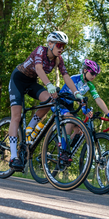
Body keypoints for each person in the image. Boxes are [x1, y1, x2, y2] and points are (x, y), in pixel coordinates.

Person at [8, 31, 84, 169]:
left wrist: (77, 93)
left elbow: (66, 76)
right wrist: (49, 85)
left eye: (63, 46)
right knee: (16, 117)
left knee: (50, 101)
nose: (61, 49)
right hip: (18, 80)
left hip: (31, 82)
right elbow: (38, 68)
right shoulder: (40, 50)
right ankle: (13, 157)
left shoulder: (58, 59)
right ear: (50, 44)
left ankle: (28, 132)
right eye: (59, 45)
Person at [57, 59, 109, 142]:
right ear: (85, 70)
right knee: (71, 120)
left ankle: (66, 147)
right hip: (59, 103)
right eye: (92, 73)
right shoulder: (74, 78)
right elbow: (77, 96)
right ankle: (62, 152)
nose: (94, 76)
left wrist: (108, 113)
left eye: (96, 74)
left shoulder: (89, 85)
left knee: (80, 129)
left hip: (70, 106)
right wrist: (84, 108)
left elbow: (98, 99)